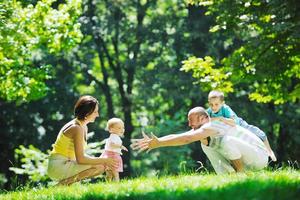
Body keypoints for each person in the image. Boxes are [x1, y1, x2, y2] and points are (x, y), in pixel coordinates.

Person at [131, 107, 269, 174]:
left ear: (204, 118)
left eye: (192, 121)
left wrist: (159, 143)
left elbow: (186, 139)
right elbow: (180, 135)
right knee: (207, 145)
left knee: (225, 142)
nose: (190, 125)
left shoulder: (212, 125)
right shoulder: (204, 131)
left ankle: (240, 173)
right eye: (189, 121)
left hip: (259, 157)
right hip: (249, 158)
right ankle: (229, 176)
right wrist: (157, 141)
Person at [47, 95, 118, 185]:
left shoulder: (83, 127)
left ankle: (65, 184)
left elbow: (81, 156)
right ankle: (63, 184)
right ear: (87, 113)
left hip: (67, 163)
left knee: (101, 165)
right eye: (95, 112)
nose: (98, 115)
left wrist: (104, 159)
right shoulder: (76, 128)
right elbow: (81, 159)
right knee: (100, 166)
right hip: (58, 166)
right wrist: (104, 160)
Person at [207, 90, 277, 161]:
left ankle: (269, 150)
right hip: (227, 131)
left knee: (257, 132)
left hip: (239, 124)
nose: (213, 107)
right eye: (211, 104)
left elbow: (233, 122)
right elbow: (205, 119)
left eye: (216, 104)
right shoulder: (209, 111)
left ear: (222, 103)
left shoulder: (225, 109)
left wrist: (220, 118)